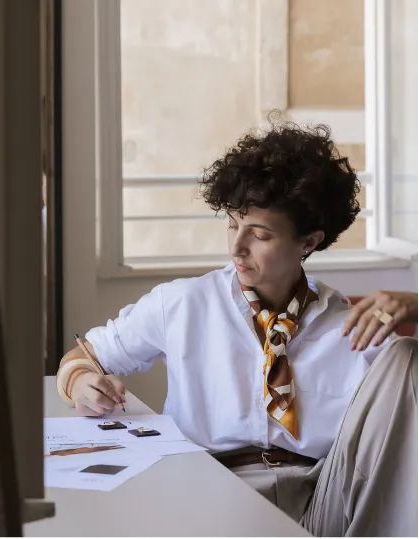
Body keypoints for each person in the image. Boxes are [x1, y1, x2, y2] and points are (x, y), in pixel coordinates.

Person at [57, 116, 417, 536]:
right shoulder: (184, 303)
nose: (236, 247)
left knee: (406, 355)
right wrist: (81, 383)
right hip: (211, 490)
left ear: (308, 242)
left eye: (259, 234)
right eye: (232, 224)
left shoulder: (353, 325)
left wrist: (415, 306)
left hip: (321, 499)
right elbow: (82, 358)